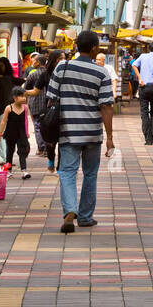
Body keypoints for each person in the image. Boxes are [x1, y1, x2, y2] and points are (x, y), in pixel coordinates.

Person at [46, 29, 115, 233]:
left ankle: (69, 211)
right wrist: (109, 136)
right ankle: (85, 217)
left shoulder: (62, 67)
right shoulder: (101, 72)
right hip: (93, 132)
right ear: (94, 48)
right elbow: (106, 106)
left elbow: (51, 97)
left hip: (68, 130)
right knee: (90, 174)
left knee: (67, 172)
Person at [25, 49, 62, 171]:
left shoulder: (67, 73)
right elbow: (36, 91)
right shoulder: (45, 74)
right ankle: (51, 159)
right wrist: (21, 93)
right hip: (50, 110)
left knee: (63, 140)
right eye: (61, 58)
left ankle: (60, 166)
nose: (63, 61)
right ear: (54, 61)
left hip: (65, 110)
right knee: (50, 141)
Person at [131, 45, 153, 144]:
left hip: (143, 87)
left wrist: (140, 78)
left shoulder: (143, 56)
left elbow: (134, 65)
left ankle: (147, 138)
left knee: (144, 112)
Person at [0, 86, 31, 177]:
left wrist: (27, 133)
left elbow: (26, 121)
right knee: (10, 151)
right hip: (10, 133)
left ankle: (24, 171)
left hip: (21, 133)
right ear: (15, 97)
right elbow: (3, 121)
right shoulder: (9, 108)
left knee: (22, 151)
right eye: (22, 96)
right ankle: (8, 170)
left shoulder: (25, 108)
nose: (24, 98)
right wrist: (0, 133)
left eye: (25, 96)